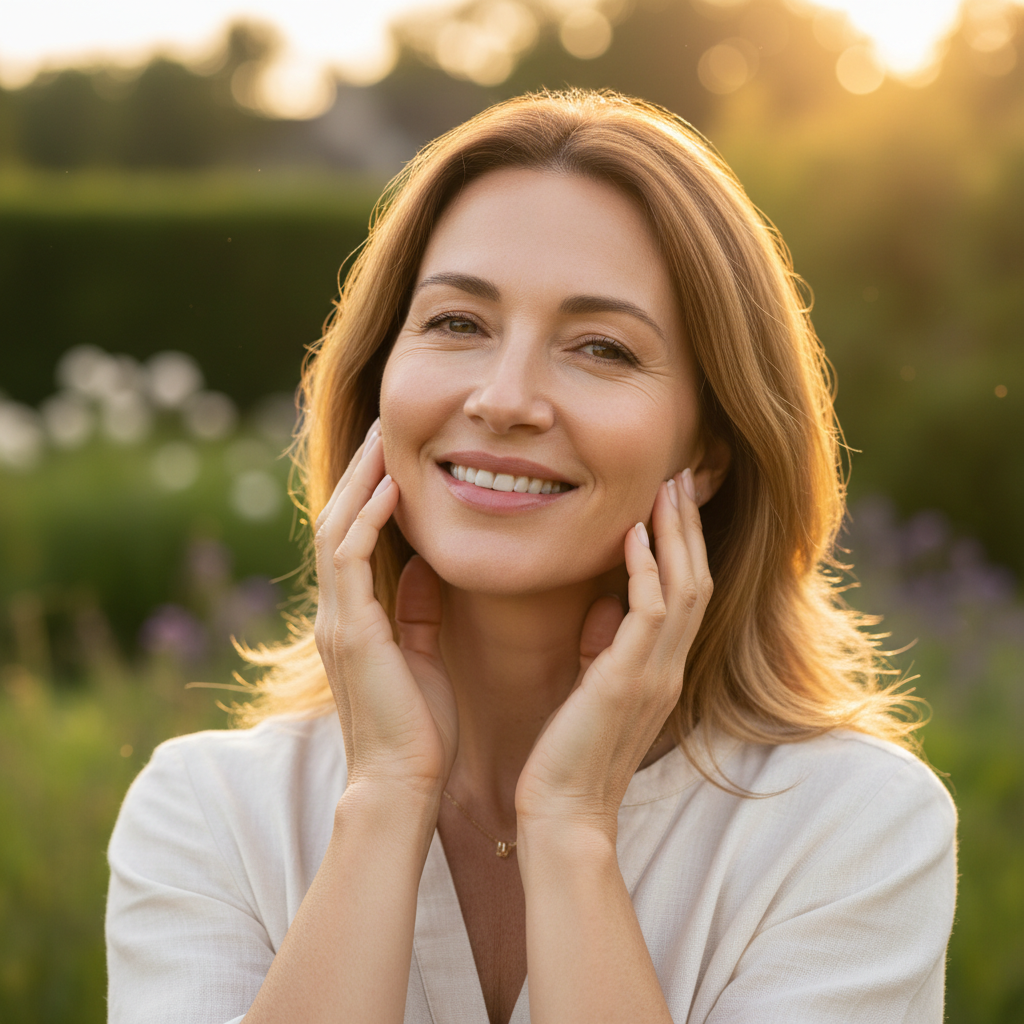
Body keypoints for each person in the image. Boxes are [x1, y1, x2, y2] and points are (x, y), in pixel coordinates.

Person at [106, 90, 956, 1024]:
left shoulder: (851, 829)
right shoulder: (208, 815)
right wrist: (386, 799)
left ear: (709, 450)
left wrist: (571, 828)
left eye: (601, 347)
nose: (505, 399)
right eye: (457, 324)